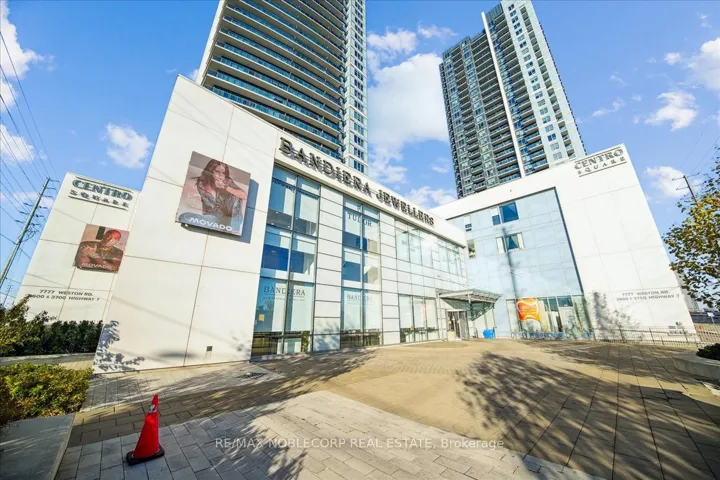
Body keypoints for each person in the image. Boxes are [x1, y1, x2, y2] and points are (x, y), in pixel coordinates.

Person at [178, 159, 248, 233]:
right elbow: (211, 207)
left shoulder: (227, 182)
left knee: (236, 194)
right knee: (184, 217)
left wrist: (225, 187)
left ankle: (232, 228)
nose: (220, 176)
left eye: (223, 173)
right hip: (213, 217)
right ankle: (219, 227)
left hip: (231, 219)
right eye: (217, 172)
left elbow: (244, 196)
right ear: (210, 171)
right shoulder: (202, 183)